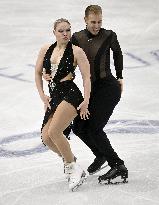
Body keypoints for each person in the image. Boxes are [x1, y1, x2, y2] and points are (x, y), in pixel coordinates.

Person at [43, 5, 128, 185]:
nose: (96, 26)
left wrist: (120, 76)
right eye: (93, 22)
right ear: (85, 20)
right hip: (92, 89)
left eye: (99, 22)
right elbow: (66, 58)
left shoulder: (109, 35)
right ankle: (101, 155)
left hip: (108, 88)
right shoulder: (77, 38)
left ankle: (118, 165)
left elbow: (118, 54)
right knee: (79, 127)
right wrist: (51, 74)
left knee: (95, 128)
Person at [35, 18, 91, 191]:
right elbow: (37, 73)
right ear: (54, 33)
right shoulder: (46, 49)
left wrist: (86, 101)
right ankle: (72, 161)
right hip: (54, 96)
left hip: (71, 94)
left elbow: (87, 77)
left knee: (54, 131)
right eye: (61, 31)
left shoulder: (77, 51)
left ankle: (72, 168)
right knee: (46, 138)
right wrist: (43, 96)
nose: (65, 33)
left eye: (68, 30)